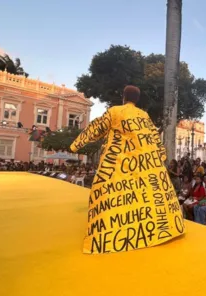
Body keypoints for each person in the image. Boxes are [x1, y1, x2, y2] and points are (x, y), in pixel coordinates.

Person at [69, 85, 185, 253]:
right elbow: (154, 137)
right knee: (145, 198)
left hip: (119, 163)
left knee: (105, 194)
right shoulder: (144, 115)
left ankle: (108, 234)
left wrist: (74, 145)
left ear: (123, 97)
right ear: (137, 100)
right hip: (145, 165)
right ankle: (155, 231)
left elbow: (96, 128)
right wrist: (160, 156)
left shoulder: (115, 111)